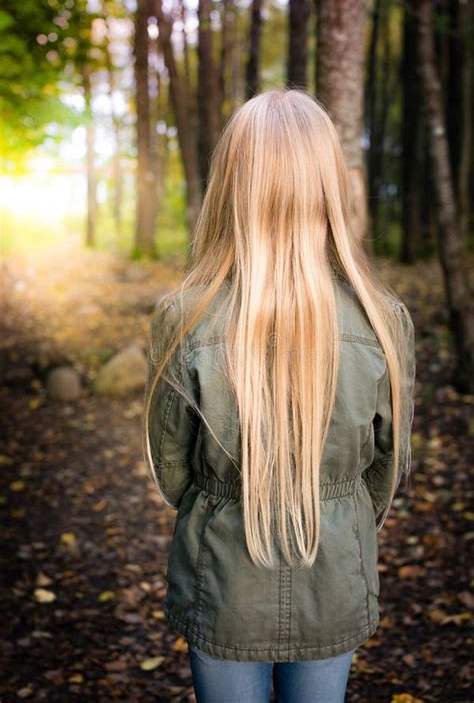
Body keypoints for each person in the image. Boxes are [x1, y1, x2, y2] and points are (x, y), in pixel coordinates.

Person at [142, 88, 416, 702]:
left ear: (231, 183)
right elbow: (387, 468)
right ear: (326, 186)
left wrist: (229, 502)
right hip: (334, 572)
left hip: (222, 578)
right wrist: (332, 509)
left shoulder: (186, 317)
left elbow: (171, 471)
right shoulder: (381, 318)